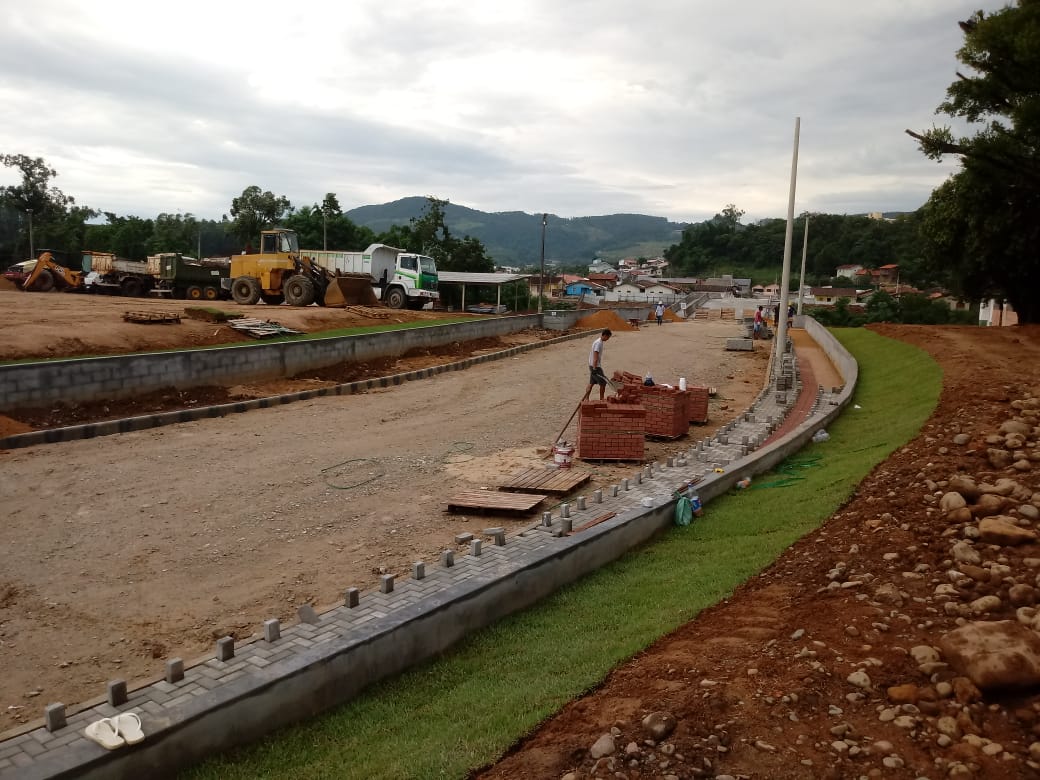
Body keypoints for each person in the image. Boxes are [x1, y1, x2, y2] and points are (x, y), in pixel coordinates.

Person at [583, 328, 612, 400]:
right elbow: (595, 357)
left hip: (592, 366)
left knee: (591, 383)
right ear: (605, 335)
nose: (608, 339)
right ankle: (601, 399)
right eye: (608, 337)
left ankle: (586, 399)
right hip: (595, 367)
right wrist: (595, 368)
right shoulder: (598, 343)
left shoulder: (599, 341)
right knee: (603, 383)